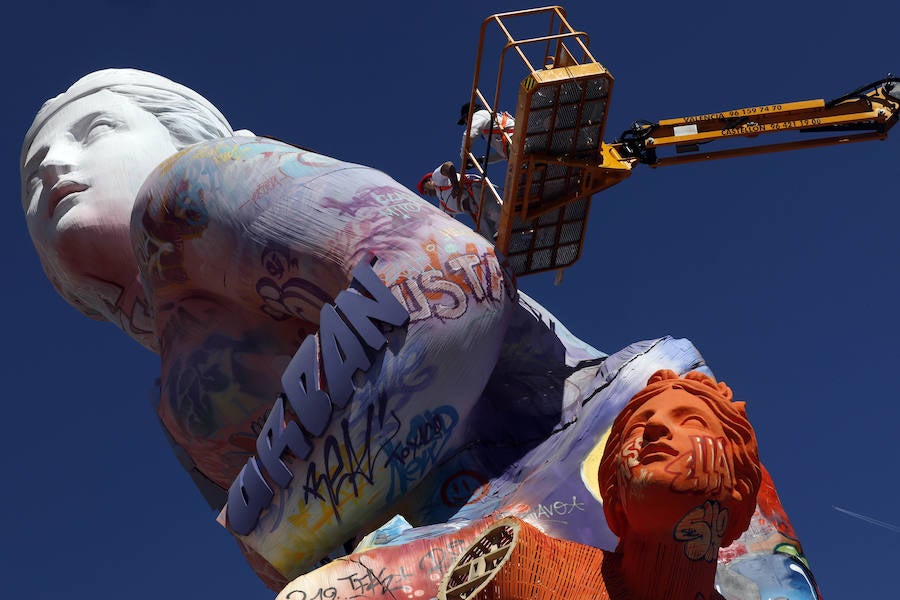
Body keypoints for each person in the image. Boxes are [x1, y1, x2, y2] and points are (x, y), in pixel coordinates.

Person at [21, 69, 817, 599]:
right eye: (30, 175)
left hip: (614, 457)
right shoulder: (175, 400)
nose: (56, 164)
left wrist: (303, 518)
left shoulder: (188, 190)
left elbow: (448, 287)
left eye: (94, 130)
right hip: (492, 540)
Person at [437, 369, 762, 600]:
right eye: (639, 424)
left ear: (738, 489)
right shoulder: (525, 569)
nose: (656, 427)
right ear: (614, 494)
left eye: (691, 420)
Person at [416, 160, 502, 239]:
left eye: (425, 189)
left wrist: (455, 185)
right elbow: (446, 223)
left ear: (429, 180)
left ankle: (504, 226)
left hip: (474, 190)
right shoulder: (443, 207)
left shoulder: (436, 178)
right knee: (487, 235)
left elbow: (448, 166)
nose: (426, 193)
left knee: (493, 213)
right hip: (476, 210)